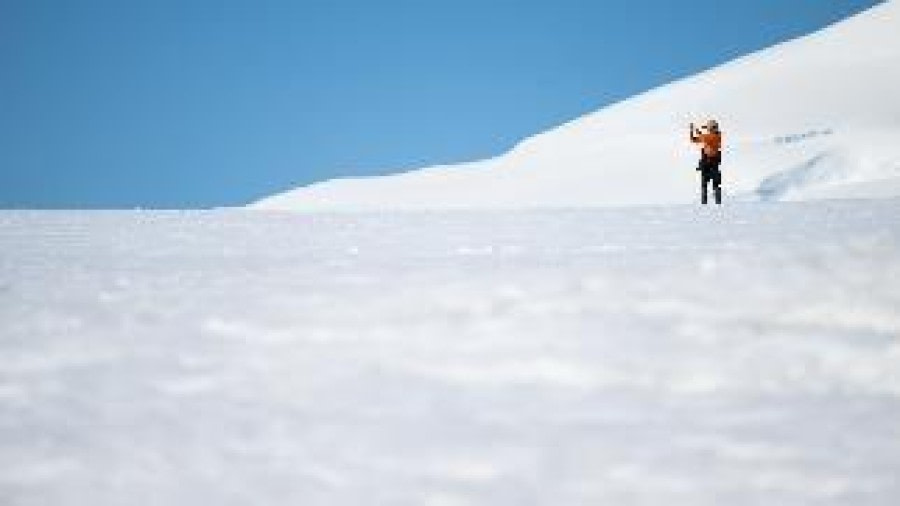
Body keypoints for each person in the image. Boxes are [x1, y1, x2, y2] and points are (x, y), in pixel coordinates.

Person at [689, 119, 723, 205]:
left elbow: (703, 138)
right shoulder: (712, 136)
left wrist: (695, 130)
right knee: (705, 185)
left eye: (708, 128)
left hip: (712, 163)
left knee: (714, 185)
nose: (708, 129)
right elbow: (694, 140)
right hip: (708, 164)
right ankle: (705, 204)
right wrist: (692, 131)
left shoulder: (716, 136)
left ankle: (716, 203)